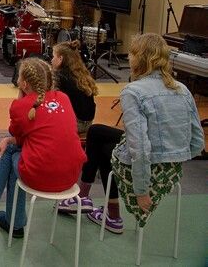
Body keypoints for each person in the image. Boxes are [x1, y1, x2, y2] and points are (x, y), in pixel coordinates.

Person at [57, 34, 203, 234]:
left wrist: (142, 190)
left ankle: (112, 214)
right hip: (173, 163)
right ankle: (83, 197)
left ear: (140, 58)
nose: (129, 58)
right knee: (96, 131)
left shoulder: (133, 92)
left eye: (132, 54)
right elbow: (197, 142)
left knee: (109, 150)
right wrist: (173, 159)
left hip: (148, 163)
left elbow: (140, 146)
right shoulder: (183, 89)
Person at [0, 58, 85, 238]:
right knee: (15, 154)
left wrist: (20, 100)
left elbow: (15, 134)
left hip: (42, 176)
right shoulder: (64, 98)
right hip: (72, 176)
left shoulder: (21, 106)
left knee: (11, 151)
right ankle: (13, 222)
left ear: (24, 83)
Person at [52, 40, 97, 134]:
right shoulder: (82, 73)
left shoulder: (59, 75)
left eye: (53, 57)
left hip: (74, 124)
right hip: (89, 123)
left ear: (60, 59)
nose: (51, 60)